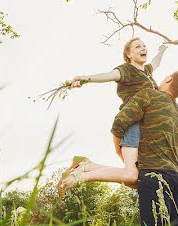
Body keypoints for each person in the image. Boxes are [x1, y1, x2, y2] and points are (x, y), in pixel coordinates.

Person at [59, 37, 168, 189]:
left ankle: (88, 166)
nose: (143, 49)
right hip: (133, 123)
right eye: (138, 47)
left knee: (138, 179)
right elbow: (109, 75)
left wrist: (162, 50)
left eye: (144, 46)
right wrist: (86, 79)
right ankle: (82, 175)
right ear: (128, 54)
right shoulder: (126, 70)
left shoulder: (147, 71)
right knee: (132, 176)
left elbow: (156, 62)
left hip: (147, 129)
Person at [111, 69, 178, 226]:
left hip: (154, 175)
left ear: (168, 79)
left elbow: (119, 122)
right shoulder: (176, 110)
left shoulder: (150, 95)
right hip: (175, 176)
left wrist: (119, 151)